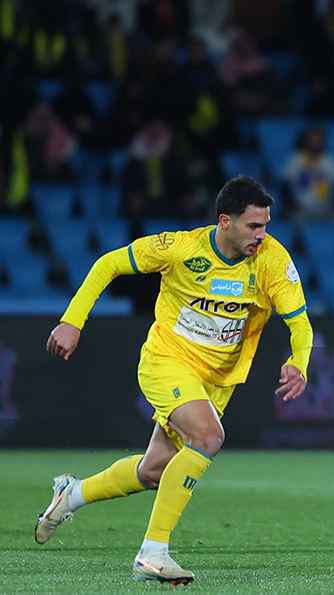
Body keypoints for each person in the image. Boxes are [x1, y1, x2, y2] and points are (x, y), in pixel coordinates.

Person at [36, 176, 312, 585]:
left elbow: (300, 322)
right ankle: (153, 554)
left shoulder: (272, 259)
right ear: (225, 221)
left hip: (216, 380)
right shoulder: (181, 248)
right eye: (254, 226)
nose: (263, 234)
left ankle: (71, 494)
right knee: (208, 438)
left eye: (266, 225)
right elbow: (108, 264)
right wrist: (72, 320)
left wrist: (299, 361)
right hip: (167, 361)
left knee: (152, 472)